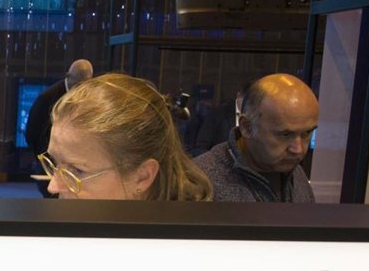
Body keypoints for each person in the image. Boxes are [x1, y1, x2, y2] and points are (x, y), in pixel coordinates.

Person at [38, 73, 211, 201]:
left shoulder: (196, 239)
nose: (52, 186)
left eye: (77, 171)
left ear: (142, 177)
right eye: (53, 163)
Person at [193, 73, 318, 202]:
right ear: (246, 127)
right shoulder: (200, 181)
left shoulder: (295, 173)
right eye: (285, 135)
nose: (298, 149)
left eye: (307, 133)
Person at [26, 59, 93, 196]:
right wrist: (45, 158)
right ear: (68, 76)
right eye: (78, 83)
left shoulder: (88, 97)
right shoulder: (46, 98)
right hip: (50, 161)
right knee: (53, 197)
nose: (80, 88)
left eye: (84, 84)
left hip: (77, 163)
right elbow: (32, 133)